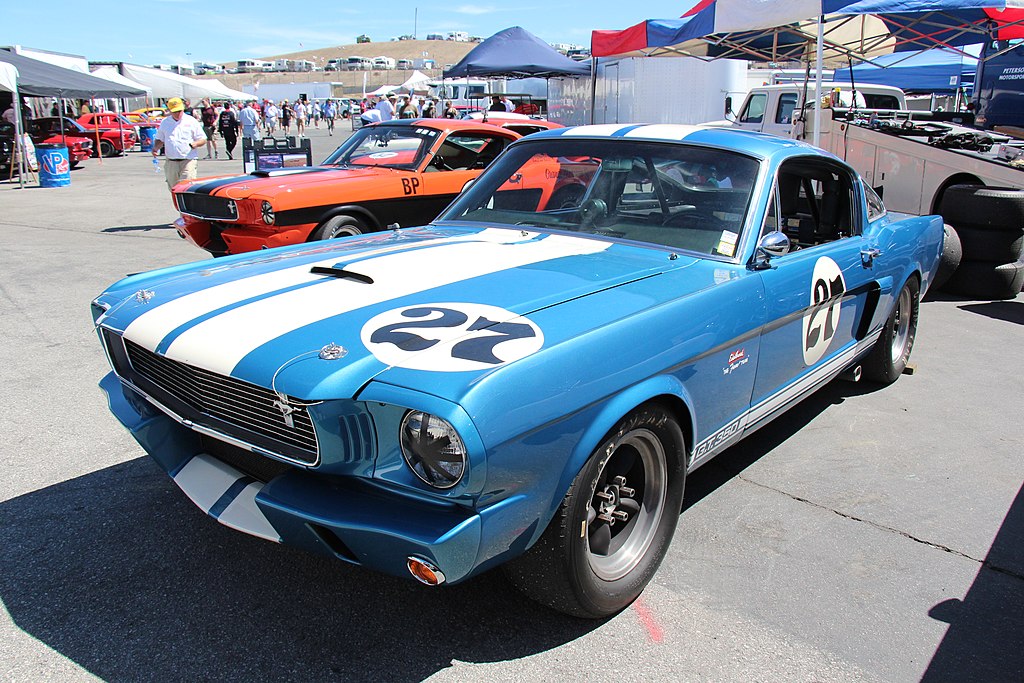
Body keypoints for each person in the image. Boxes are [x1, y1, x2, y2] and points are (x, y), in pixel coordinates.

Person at [151, 97, 207, 192]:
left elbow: (203, 139)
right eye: (175, 111)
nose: (178, 114)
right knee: (174, 189)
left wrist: (196, 143)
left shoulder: (191, 121)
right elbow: (160, 138)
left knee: (187, 187)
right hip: (171, 162)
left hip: (188, 160)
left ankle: (188, 206)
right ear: (170, 111)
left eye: (179, 111)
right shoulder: (165, 122)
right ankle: (178, 206)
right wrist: (156, 148)